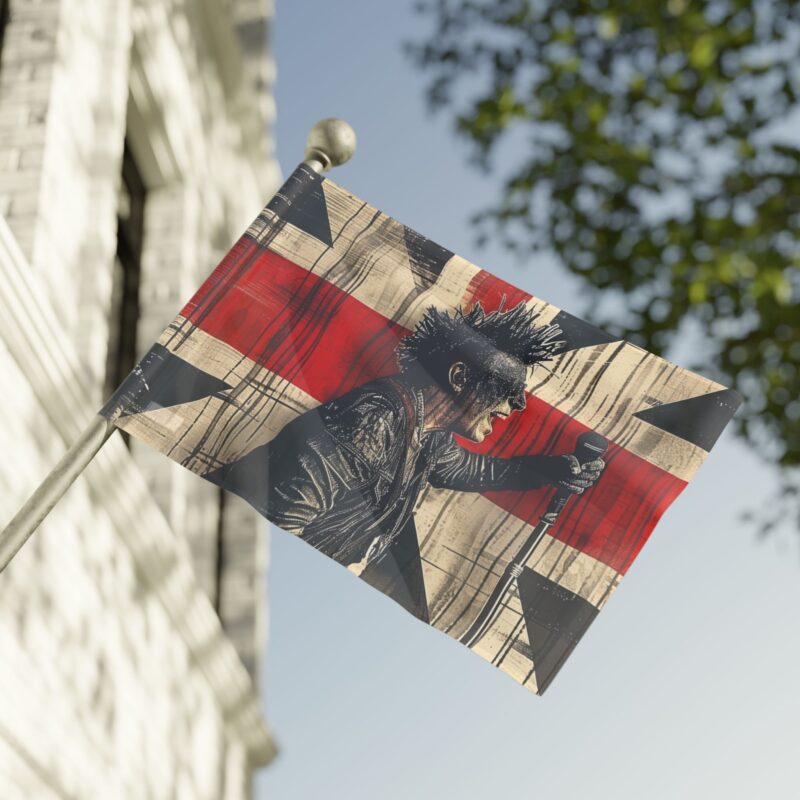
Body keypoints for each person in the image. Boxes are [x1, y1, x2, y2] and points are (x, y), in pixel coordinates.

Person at [207, 301, 604, 620]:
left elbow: (467, 469)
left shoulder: (429, 432)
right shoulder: (373, 420)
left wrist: (550, 469)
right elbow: (272, 524)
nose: (516, 405)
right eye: (507, 388)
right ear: (460, 377)